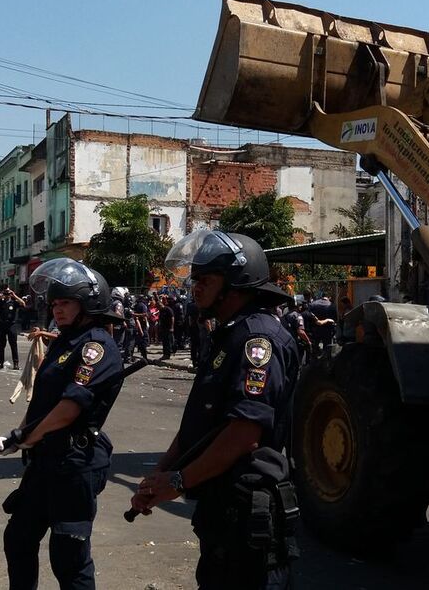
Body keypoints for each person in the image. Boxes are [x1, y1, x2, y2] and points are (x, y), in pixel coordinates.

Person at [131, 231, 300, 589]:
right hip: (220, 509)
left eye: (205, 280)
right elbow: (200, 425)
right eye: (194, 280)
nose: (195, 288)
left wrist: (178, 481)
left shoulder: (258, 340)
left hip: (247, 509)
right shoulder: (229, 335)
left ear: (236, 283)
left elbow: (244, 433)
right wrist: (159, 474)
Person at [0, 258, 126, 590]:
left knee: (69, 560)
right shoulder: (64, 340)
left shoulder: (96, 346)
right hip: (45, 462)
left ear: (88, 303)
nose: (57, 309)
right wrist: (16, 437)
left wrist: (23, 436)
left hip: (75, 467)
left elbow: (68, 409)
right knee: (18, 538)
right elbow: (41, 404)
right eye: (55, 303)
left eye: (65, 303)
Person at [0, 284, 25, 370]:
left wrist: (14, 295)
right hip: (2, 325)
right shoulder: (1, 302)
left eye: (8, 292)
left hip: (12, 325)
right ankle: (0, 362)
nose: (7, 295)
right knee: (1, 345)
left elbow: (23, 304)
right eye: (5, 292)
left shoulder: (14, 302)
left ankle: (16, 363)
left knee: (13, 344)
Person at [158, 295, 175, 360]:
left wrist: (172, 327)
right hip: (163, 328)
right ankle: (165, 354)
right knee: (164, 342)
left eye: (158, 307)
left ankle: (167, 354)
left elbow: (172, 318)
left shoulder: (168, 309)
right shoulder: (161, 311)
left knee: (168, 342)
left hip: (168, 328)